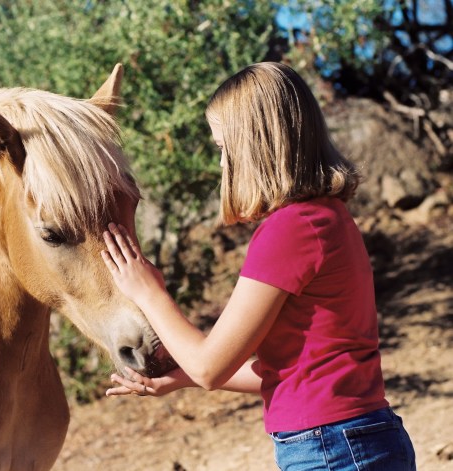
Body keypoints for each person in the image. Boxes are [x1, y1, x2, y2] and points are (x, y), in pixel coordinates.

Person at [101, 62, 416, 470]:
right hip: (357, 440)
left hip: (332, 449)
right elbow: (284, 371)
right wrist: (179, 378)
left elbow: (210, 366)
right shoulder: (326, 218)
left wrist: (148, 291)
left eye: (222, 148)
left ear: (253, 145)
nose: (221, 165)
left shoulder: (290, 229)